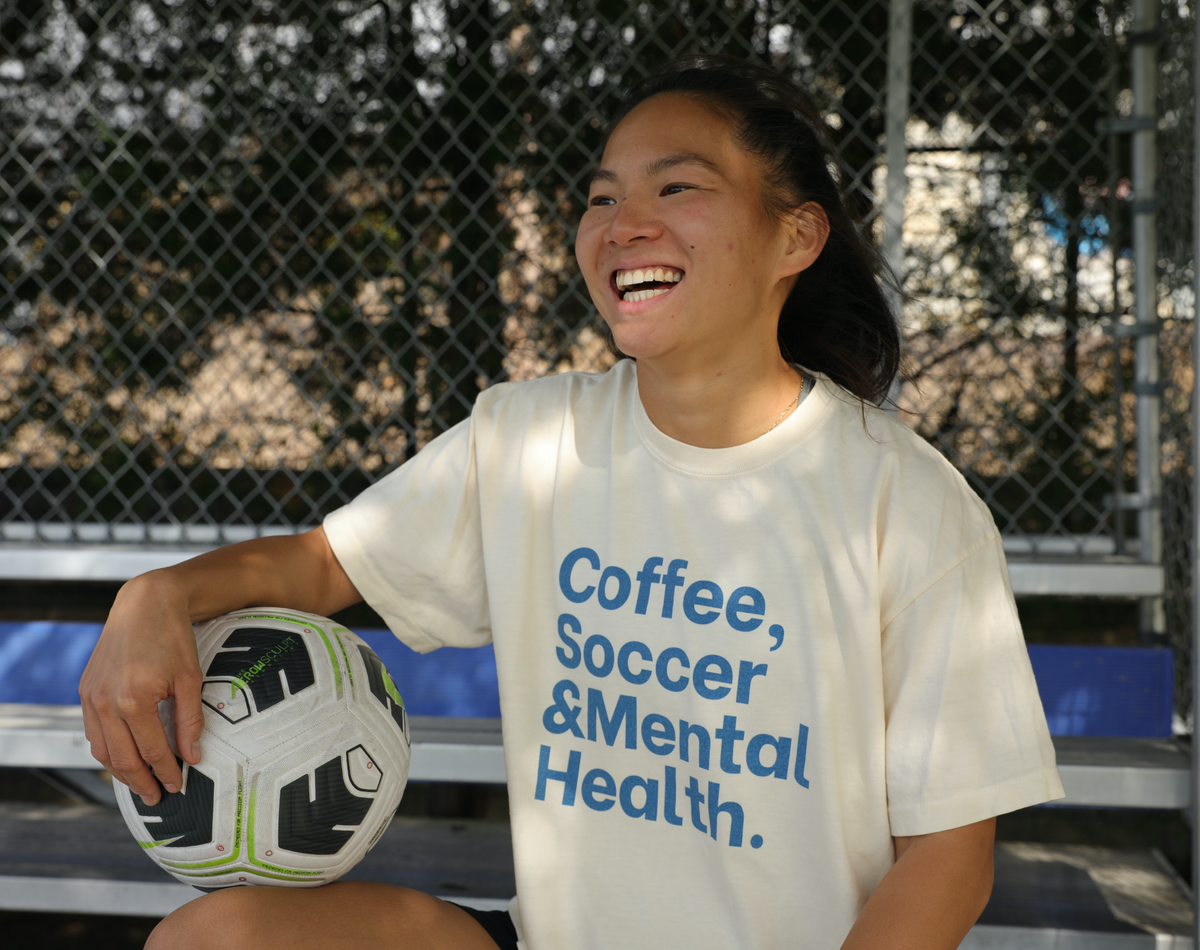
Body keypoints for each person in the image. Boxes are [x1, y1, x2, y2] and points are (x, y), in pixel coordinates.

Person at [80, 55, 1063, 950]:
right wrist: (157, 596)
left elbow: (949, 858)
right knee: (217, 938)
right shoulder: (529, 438)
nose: (624, 223)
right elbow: (328, 564)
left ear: (795, 236)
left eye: (676, 187)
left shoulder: (905, 501)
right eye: (602, 197)